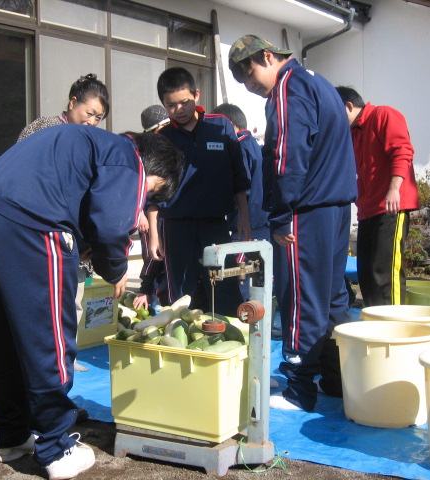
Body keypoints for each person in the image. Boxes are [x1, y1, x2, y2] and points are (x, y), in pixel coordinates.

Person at [0, 125, 183, 480]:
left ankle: (13, 437)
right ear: (154, 169)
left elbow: (80, 202)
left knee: (1, 336)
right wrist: (115, 269)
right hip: (32, 222)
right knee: (48, 338)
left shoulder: (84, 144)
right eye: (151, 192)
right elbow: (111, 225)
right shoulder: (127, 156)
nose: (143, 201)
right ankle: (56, 448)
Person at [228, 34, 357, 412]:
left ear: (268, 56)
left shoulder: (288, 87)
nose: (249, 86)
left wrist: (281, 213)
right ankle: (336, 379)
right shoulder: (320, 83)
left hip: (306, 208)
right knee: (332, 296)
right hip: (336, 205)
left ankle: (299, 388)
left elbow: (288, 153)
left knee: (301, 296)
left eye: (250, 75)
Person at [18, 73, 110, 374]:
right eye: (89, 113)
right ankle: (38, 361)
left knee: (73, 299)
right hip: (39, 226)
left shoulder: (91, 142)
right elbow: (23, 172)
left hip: (74, 235)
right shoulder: (43, 128)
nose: (92, 122)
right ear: (72, 103)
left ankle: (66, 356)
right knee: (41, 299)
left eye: (98, 118)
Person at [150, 67, 251, 316]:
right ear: (164, 105)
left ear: (196, 94)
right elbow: (153, 191)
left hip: (215, 224)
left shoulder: (220, 126)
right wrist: (154, 234)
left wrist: (244, 218)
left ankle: (228, 331)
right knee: (183, 295)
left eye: (184, 102)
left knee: (224, 285)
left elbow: (239, 177)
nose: (179, 109)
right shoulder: (163, 137)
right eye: (171, 105)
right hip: (176, 227)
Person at [335, 87, 419, 307]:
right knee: (367, 273)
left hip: (392, 206)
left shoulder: (384, 115)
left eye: (335, 111)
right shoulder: (353, 133)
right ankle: (374, 320)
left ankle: (393, 323)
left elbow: (402, 151)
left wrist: (394, 189)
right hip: (367, 210)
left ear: (348, 106)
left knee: (385, 273)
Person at [212, 103, 269, 301]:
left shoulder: (239, 147)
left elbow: (242, 186)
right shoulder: (255, 144)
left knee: (240, 281)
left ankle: (244, 317)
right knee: (262, 280)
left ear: (229, 125)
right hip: (263, 222)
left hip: (246, 226)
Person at [133, 105, 170, 311]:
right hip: (149, 213)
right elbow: (136, 186)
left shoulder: (171, 147)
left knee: (164, 258)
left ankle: (157, 298)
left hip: (167, 213)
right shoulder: (143, 152)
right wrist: (139, 212)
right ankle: (147, 293)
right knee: (154, 253)